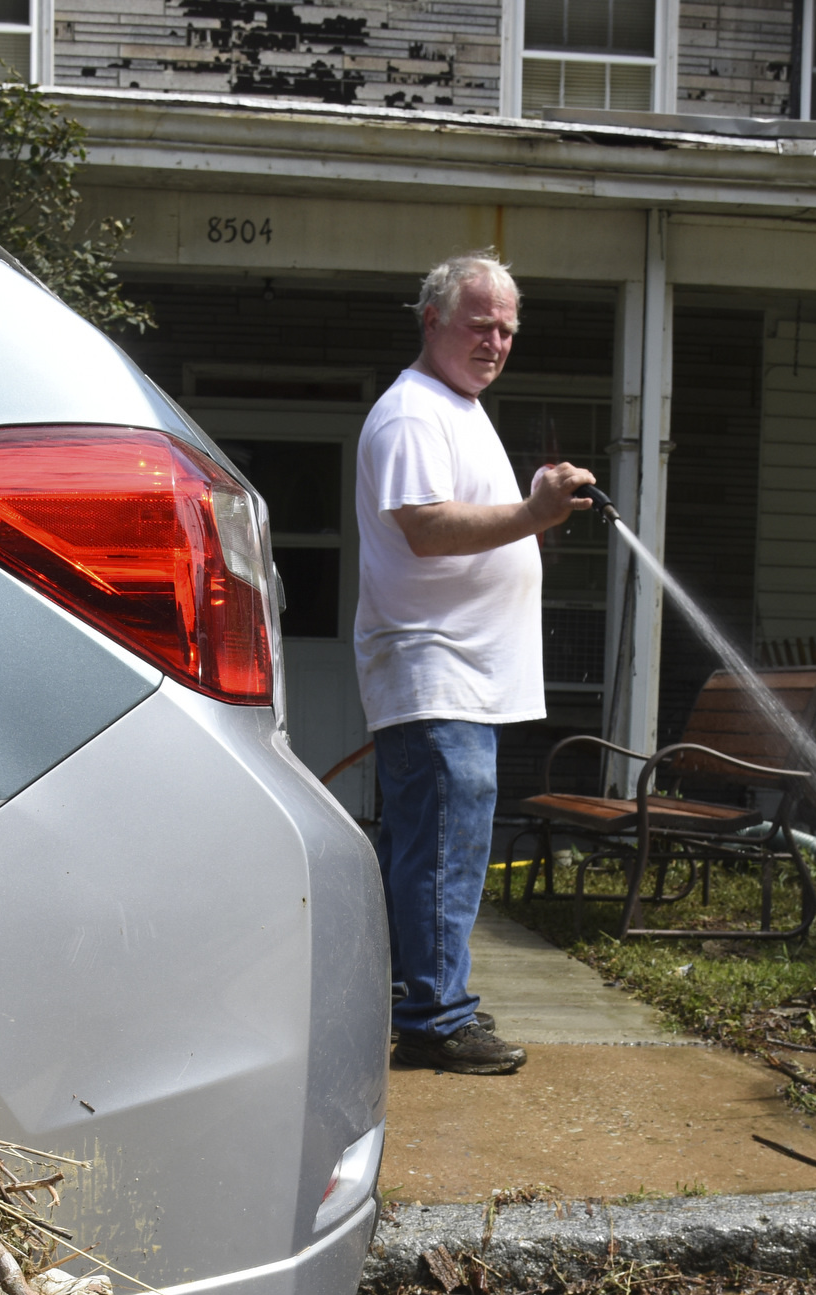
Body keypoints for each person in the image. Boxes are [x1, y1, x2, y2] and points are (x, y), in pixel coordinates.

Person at [354, 251, 595, 1075]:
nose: (494, 341)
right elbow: (423, 527)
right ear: (432, 320)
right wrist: (533, 512)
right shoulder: (414, 412)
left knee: (439, 842)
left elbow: (460, 519)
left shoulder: (455, 406)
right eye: (478, 324)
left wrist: (531, 505)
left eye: (506, 329)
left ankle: (432, 995)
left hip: (458, 675)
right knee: (444, 843)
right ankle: (434, 1021)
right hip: (436, 669)